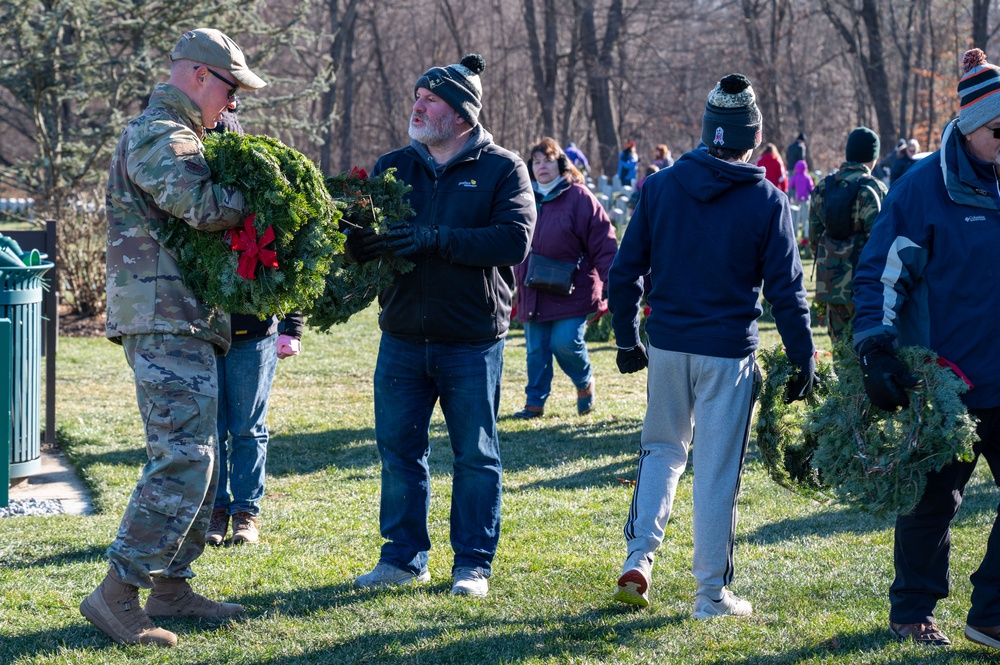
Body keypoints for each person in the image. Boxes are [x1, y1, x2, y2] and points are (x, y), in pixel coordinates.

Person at [82, 28, 266, 647]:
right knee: (182, 455)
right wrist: (267, 190)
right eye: (230, 89)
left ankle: (171, 586)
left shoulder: (192, 133)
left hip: (186, 316)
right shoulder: (161, 134)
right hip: (162, 316)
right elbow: (205, 206)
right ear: (196, 76)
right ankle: (117, 593)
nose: (234, 103)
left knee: (201, 457)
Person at [608, 73, 816, 615]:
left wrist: (628, 339)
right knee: (718, 469)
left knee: (661, 449)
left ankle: (640, 555)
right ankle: (710, 594)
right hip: (727, 351)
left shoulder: (659, 187)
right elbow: (787, 292)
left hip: (670, 345)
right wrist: (803, 357)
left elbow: (625, 272)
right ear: (752, 137)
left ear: (708, 133)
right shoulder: (767, 200)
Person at [347, 54, 535, 599]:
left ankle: (472, 564)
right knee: (400, 452)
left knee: (475, 456)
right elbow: (365, 238)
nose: (417, 106)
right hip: (402, 336)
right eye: (417, 96)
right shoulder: (392, 167)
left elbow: (514, 240)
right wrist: (357, 245)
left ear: (460, 114)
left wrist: (436, 238)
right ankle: (402, 559)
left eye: (429, 99)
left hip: (471, 341)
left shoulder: (503, 168)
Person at [851, 47, 1000, 650]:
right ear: (969, 128)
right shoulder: (922, 191)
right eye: (998, 131)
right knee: (932, 503)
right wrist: (876, 350)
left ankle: (990, 615)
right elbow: (880, 275)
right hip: (946, 384)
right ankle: (913, 613)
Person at [201, 101, 304, 547]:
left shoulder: (265, 194)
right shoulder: (193, 198)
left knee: (246, 427)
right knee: (212, 429)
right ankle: (215, 512)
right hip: (204, 330)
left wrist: (292, 327)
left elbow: (294, 260)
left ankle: (246, 513)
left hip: (253, 332)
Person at [512, 137, 618, 419]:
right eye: (536, 161)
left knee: (565, 342)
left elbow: (603, 242)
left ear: (560, 164)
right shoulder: (524, 198)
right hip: (533, 287)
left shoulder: (579, 197)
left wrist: (612, 282)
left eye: (547, 160)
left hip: (575, 287)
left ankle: (584, 383)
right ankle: (534, 403)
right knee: (536, 350)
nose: (541, 166)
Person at [808, 127, 887, 345]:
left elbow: (813, 236)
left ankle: (842, 381)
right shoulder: (873, 188)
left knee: (840, 350)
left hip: (830, 281)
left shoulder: (823, 186)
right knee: (867, 347)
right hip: (864, 284)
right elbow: (881, 242)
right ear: (873, 157)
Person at [787, 158, 814, 241]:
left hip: (796, 198)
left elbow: (790, 186)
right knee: (805, 217)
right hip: (805, 199)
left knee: (795, 216)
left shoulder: (795, 177)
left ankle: (795, 232)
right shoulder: (807, 177)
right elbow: (811, 188)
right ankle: (804, 233)